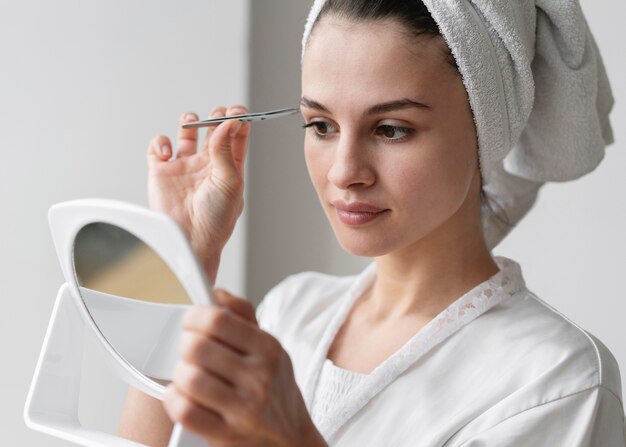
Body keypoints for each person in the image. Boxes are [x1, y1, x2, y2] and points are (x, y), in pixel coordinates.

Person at [121, 0, 625, 445]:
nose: (344, 172)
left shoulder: (556, 382)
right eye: (321, 125)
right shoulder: (290, 313)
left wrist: (289, 438)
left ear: (485, 127)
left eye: (390, 129)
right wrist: (186, 254)